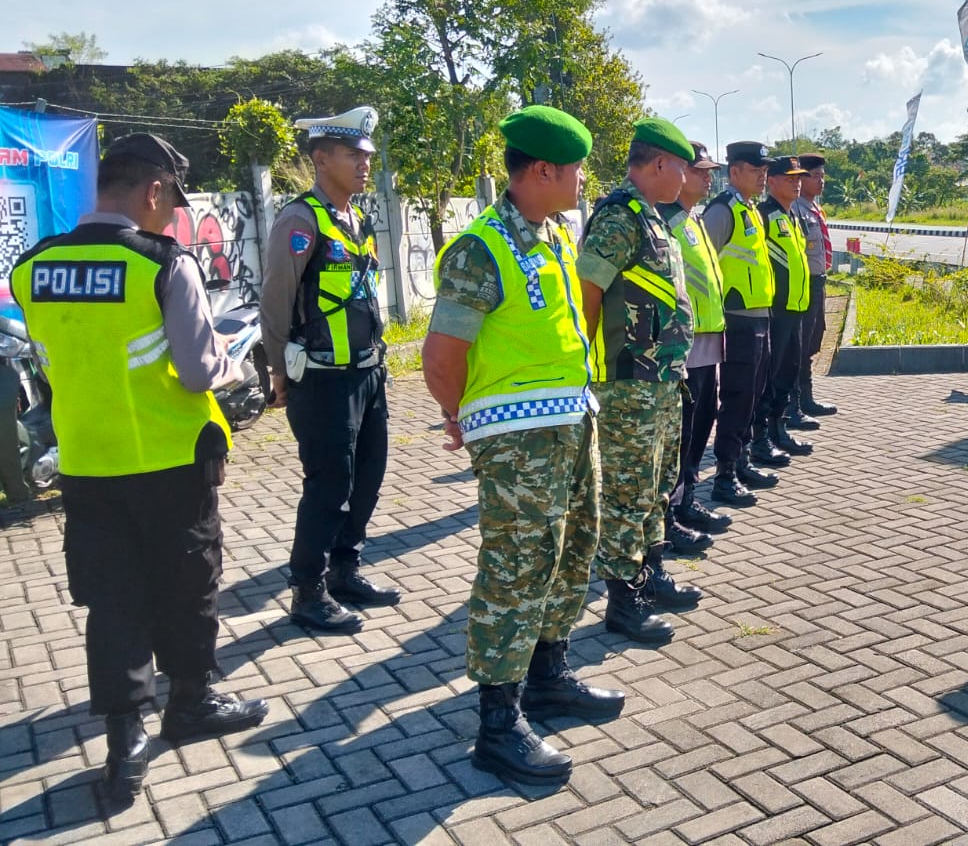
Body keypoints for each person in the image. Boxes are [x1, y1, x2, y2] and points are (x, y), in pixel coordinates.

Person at [10, 134, 268, 805]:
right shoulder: (161, 262)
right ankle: (190, 702)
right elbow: (196, 369)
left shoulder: (32, 267)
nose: (172, 216)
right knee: (189, 584)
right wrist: (231, 363)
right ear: (154, 190)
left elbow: (51, 359)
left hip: (88, 463)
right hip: (170, 459)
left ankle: (124, 737)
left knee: (113, 597)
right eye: (171, 202)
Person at [421, 105, 624, 786]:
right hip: (516, 440)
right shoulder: (482, 247)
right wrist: (459, 415)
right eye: (575, 169)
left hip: (571, 420)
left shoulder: (554, 235)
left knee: (572, 550)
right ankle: (497, 723)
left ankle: (548, 674)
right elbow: (442, 356)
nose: (581, 180)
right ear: (543, 170)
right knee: (516, 568)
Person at [261, 106, 399, 634]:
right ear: (322, 159)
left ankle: (346, 569)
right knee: (328, 485)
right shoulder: (300, 221)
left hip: (368, 372)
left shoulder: (355, 218)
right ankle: (307, 589)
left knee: (367, 476)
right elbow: (275, 301)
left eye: (367, 154)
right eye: (353, 155)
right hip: (321, 378)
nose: (365, 163)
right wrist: (277, 370)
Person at [577, 118, 704, 645]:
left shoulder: (653, 218)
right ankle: (624, 603)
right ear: (658, 164)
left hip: (660, 379)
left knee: (655, 486)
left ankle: (650, 575)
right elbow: (586, 294)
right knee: (628, 493)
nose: (687, 177)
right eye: (681, 167)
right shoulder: (619, 218)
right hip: (627, 382)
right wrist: (583, 371)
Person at [663, 142, 734, 547]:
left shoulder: (693, 221)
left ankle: (687, 498)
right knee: (683, 431)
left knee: (702, 421)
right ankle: (671, 512)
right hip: (684, 344)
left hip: (709, 337)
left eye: (710, 171)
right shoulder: (667, 221)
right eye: (701, 171)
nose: (708, 178)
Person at [701, 141, 779, 505]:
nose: (763, 176)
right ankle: (725, 474)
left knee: (754, 394)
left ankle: (742, 460)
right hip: (737, 321)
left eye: (764, 170)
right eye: (755, 170)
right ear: (734, 172)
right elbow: (705, 266)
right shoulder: (722, 212)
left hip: (760, 315)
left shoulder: (749, 210)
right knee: (736, 397)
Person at [753, 155, 814, 461]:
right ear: (772, 181)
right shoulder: (763, 215)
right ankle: (760, 437)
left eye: (799, 177)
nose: (796, 182)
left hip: (796, 308)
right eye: (789, 178)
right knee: (769, 376)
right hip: (775, 311)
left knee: (788, 372)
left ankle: (779, 428)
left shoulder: (792, 216)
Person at [790, 153, 837, 427]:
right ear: (802, 178)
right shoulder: (796, 209)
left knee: (813, 339)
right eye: (815, 176)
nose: (821, 181)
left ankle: (806, 398)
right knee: (800, 344)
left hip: (818, 281)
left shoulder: (813, 208)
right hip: (803, 284)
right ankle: (797, 402)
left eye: (822, 176)